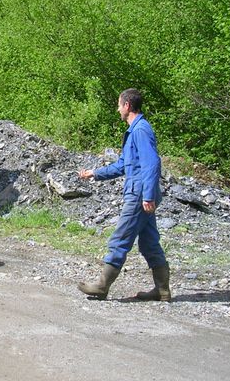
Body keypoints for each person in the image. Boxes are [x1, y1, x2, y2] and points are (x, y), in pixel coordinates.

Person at [77, 88, 171, 301]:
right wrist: (95, 173)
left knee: (120, 239)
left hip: (138, 195)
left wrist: (148, 195)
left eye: (119, 104)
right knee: (149, 243)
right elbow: (123, 165)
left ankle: (102, 286)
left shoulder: (140, 130)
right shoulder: (134, 131)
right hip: (140, 193)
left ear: (127, 105)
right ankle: (163, 290)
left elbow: (152, 163)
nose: (117, 109)